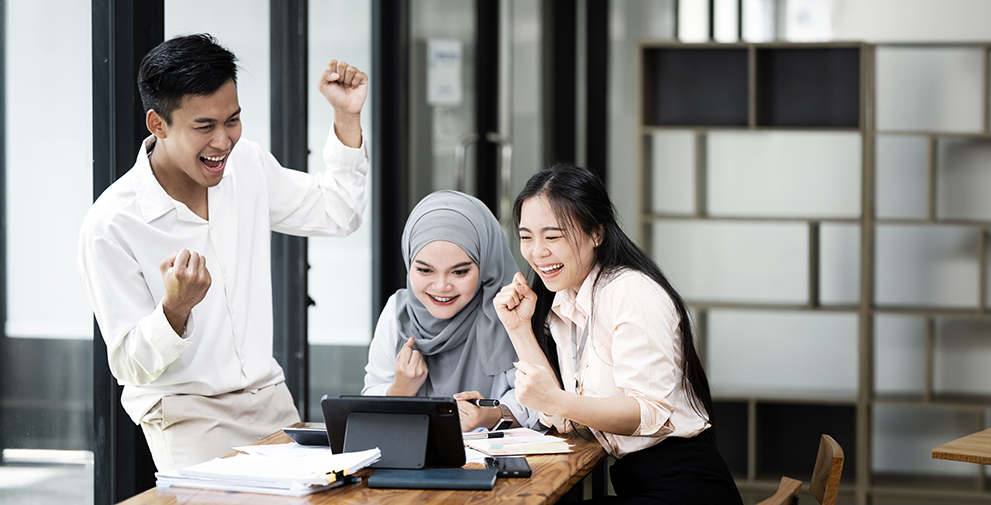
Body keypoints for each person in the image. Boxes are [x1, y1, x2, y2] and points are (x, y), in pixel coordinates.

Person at [77, 34, 370, 472]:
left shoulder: (246, 164)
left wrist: (346, 119)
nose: (223, 141)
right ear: (157, 124)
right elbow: (130, 367)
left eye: (232, 120)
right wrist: (174, 309)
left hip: (270, 400)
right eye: (204, 126)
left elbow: (338, 213)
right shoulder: (112, 225)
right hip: (188, 414)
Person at [493, 165, 743, 504]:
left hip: (686, 488)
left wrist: (555, 400)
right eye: (526, 237)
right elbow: (564, 418)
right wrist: (519, 328)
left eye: (552, 236)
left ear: (596, 233)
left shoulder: (629, 292)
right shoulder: (567, 301)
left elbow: (649, 413)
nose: (537, 252)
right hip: (640, 482)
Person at [362, 190, 539, 432]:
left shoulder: (509, 312)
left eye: (459, 272)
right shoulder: (398, 311)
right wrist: (400, 390)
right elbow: (370, 396)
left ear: (485, 264)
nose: (441, 287)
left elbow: (541, 404)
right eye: (425, 270)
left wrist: (491, 416)